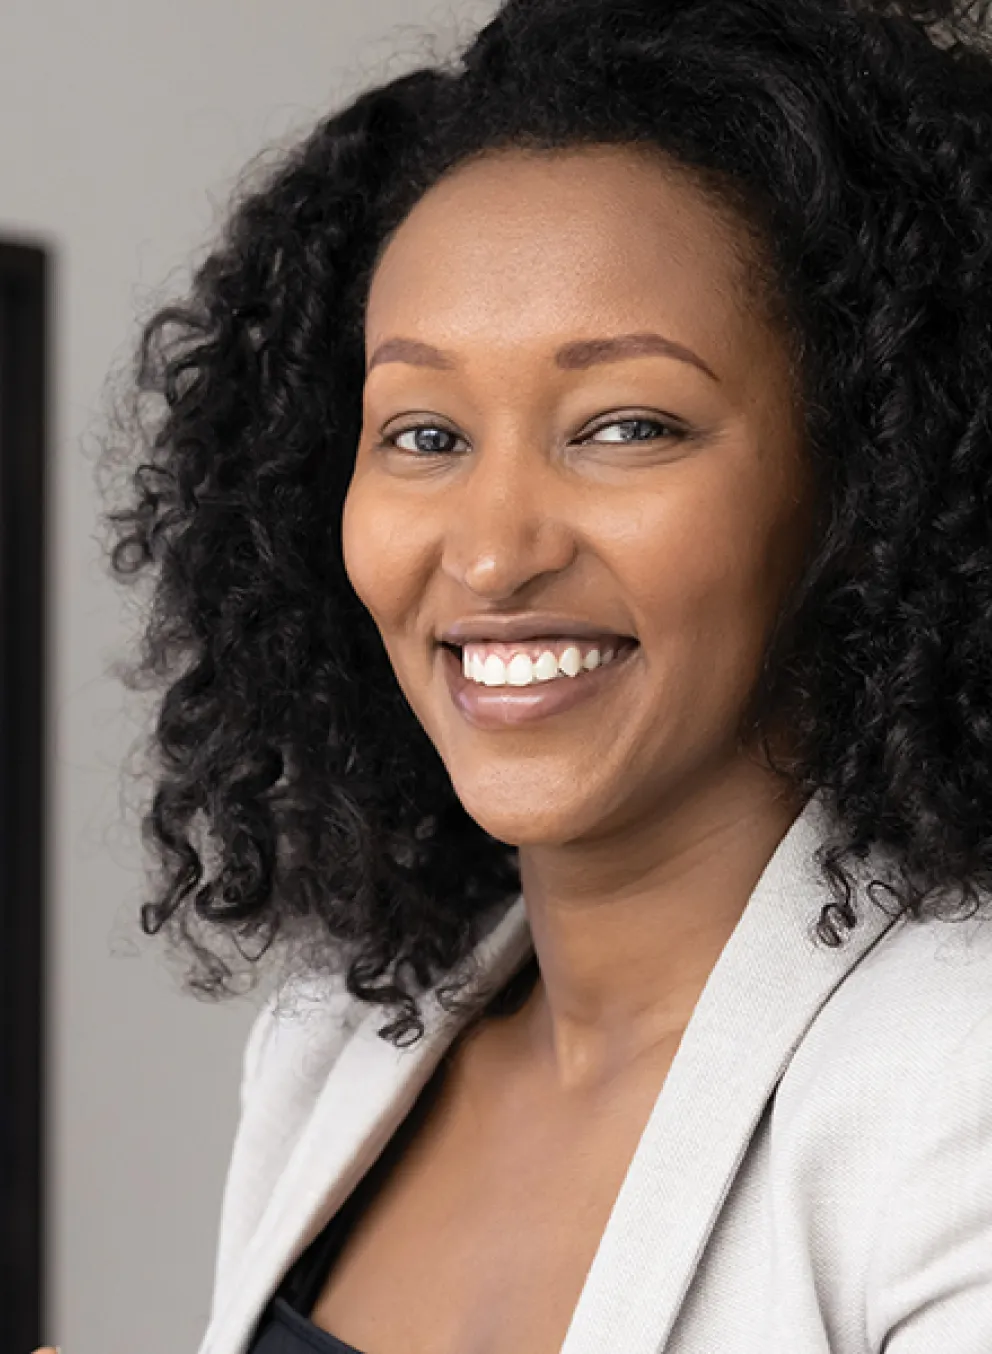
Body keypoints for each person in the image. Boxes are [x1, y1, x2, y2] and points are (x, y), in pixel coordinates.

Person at [37, 0, 992, 1350]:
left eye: (625, 426)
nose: (491, 554)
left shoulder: (958, 1091)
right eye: (424, 434)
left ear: (872, 480)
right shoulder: (331, 1043)